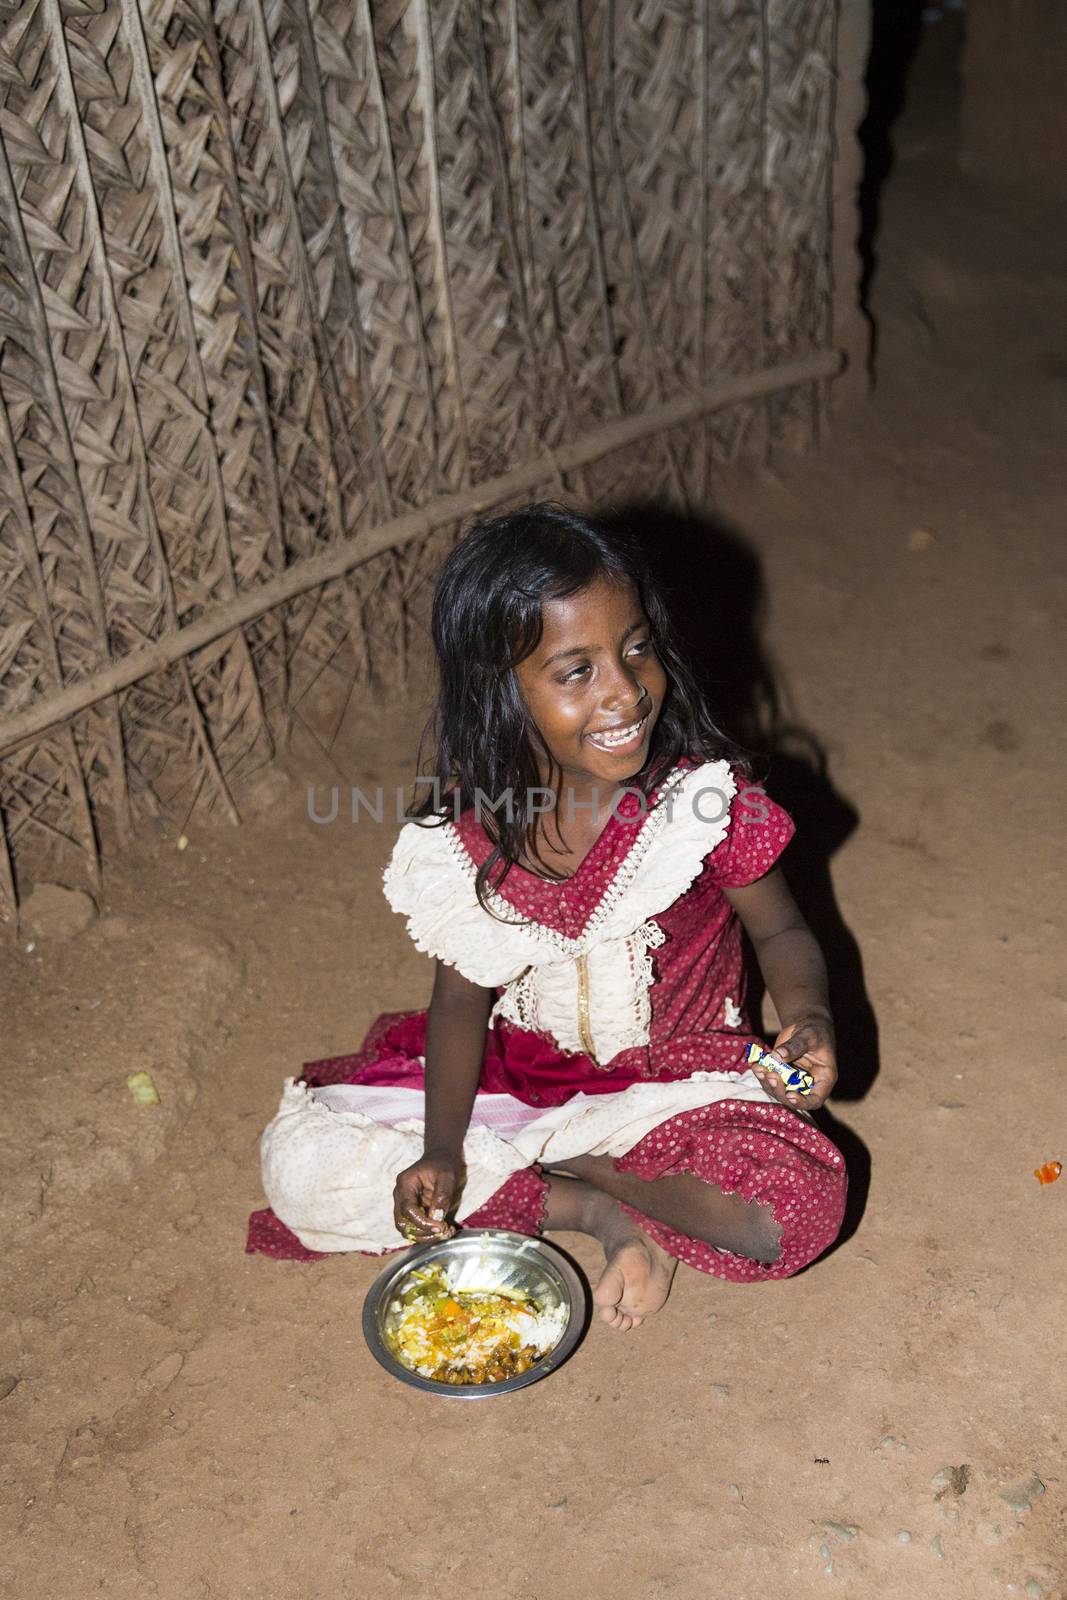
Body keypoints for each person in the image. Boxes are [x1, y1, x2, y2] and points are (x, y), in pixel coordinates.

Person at [248, 504, 847, 1330]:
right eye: (576, 671)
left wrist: (807, 1017)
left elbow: (779, 931)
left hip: (674, 1085)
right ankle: (599, 1212)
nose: (625, 690)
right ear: (501, 689)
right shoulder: (469, 837)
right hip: (521, 1084)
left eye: (635, 647)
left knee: (792, 1208)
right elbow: (459, 1003)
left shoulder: (699, 805)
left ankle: (577, 1165)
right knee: (300, 1171)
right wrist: (443, 1151)